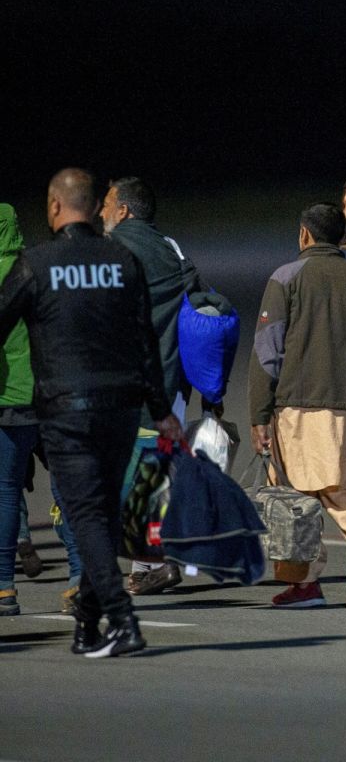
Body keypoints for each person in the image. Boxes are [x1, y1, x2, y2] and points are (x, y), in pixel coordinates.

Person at [0, 168, 184, 657]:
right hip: (121, 411)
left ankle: (122, 621)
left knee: (86, 516)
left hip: (67, 412)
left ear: (56, 207)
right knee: (100, 515)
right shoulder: (121, 259)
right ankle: (87, 622)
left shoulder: (36, 265)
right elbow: (146, 341)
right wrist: (161, 410)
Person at [248, 202, 346, 609]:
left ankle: (305, 584)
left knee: (296, 497)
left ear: (304, 235)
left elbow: (268, 353)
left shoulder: (286, 278)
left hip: (300, 407)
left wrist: (259, 413)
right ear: (343, 239)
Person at [101, 176, 200, 596]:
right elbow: (200, 307)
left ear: (123, 210)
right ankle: (151, 564)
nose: (100, 212)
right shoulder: (172, 248)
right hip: (171, 386)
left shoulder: (109, 250)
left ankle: (151, 559)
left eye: (106, 204)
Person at [0, 203, 38, 616]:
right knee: (65, 489)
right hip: (51, 399)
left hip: (8, 398)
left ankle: (4, 587)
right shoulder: (38, 268)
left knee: (6, 488)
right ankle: (80, 580)